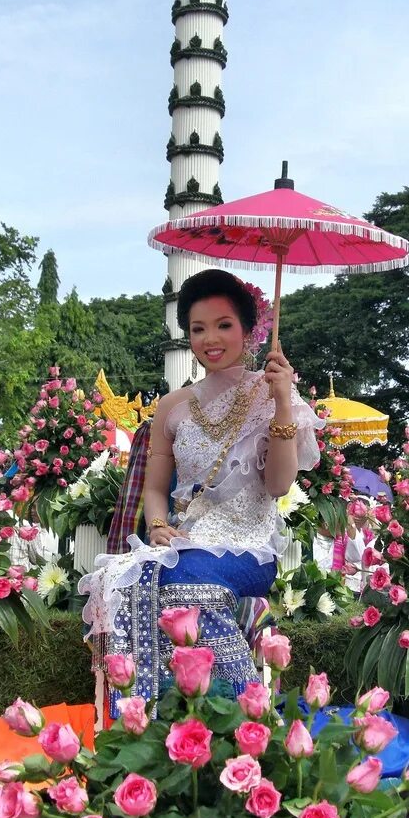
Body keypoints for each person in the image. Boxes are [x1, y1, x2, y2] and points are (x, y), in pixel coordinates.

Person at [80, 270, 322, 714]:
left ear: (250, 331)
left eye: (224, 324)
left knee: (182, 583)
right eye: (198, 328)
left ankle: (249, 716)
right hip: (185, 544)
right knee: (130, 581)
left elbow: (280, 485)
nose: (210, 338)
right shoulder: (172, 407)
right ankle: (150, 717)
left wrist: (283, 402)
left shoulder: (271, 396)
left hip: (248, 550)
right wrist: (156, 526)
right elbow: (155, 489)